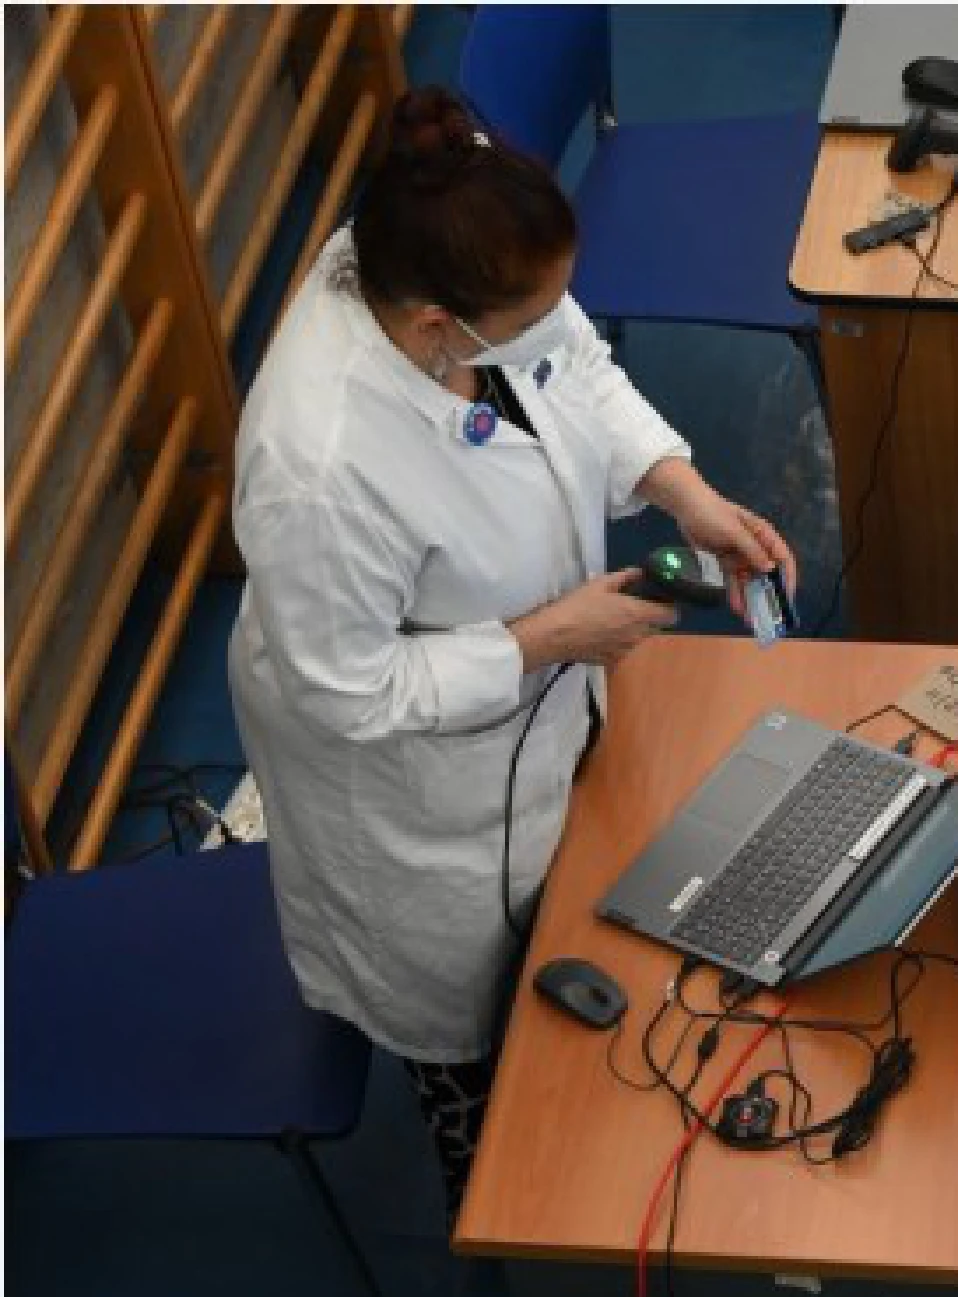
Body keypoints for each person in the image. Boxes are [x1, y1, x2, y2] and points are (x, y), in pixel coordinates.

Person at [228, 87, 798, 1216]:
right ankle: (506, 1220)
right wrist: (549, 638)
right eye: (524, 321)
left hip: (538, 699)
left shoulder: (448, 257)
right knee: (478, 1058)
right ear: (437, 329)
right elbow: (347, 690)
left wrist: (680, 492)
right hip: (408, 795)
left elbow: (572, 365)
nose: (556, 325)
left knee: (574, 916)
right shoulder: (319, 468)